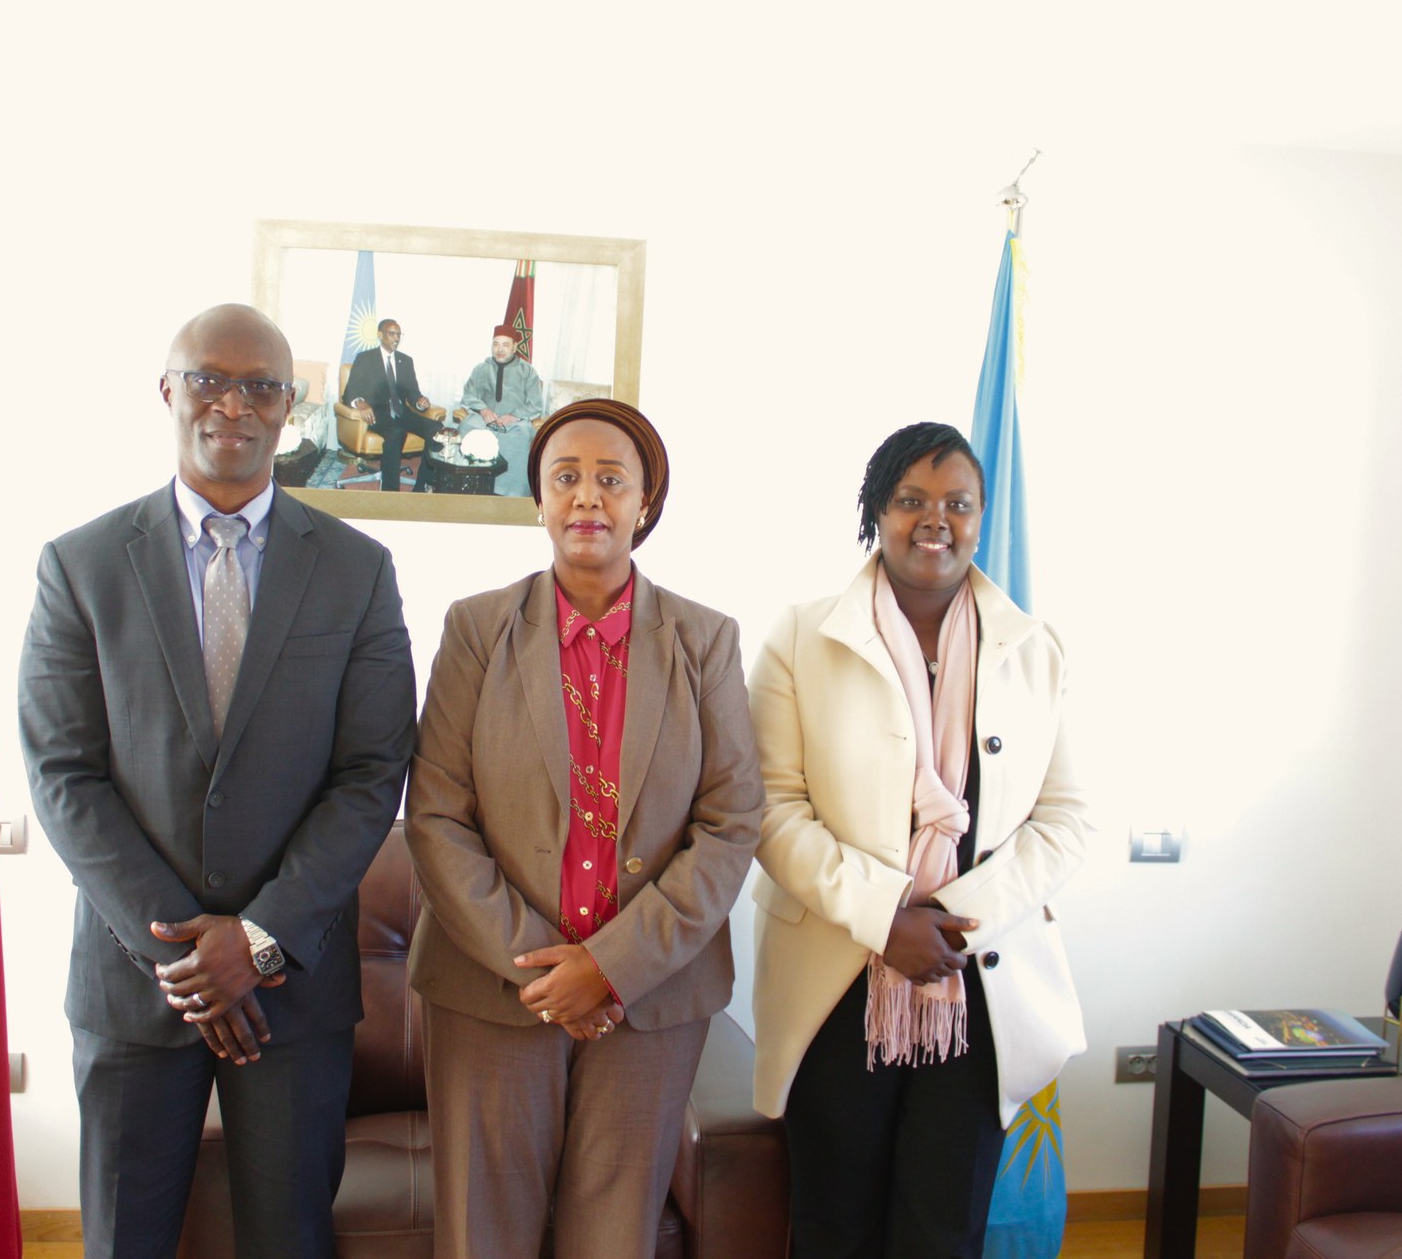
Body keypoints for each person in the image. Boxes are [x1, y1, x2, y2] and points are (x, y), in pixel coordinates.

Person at [20, 304, 416, 1259]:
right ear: (168, 390)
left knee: (290, 1239)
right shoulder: (80, 565)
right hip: (135, 987)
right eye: (209, 380)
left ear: (290, 407)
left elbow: (371, 773)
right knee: (126, 1242)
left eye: (260, 387)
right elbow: (63, 771)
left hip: (294, 997)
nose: (232, 404)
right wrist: (191, 953)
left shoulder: (358, 571)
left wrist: (259, 939)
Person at [404, 398, 765, 1258]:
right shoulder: (476, 629)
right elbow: (437, 812)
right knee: (483, 1234)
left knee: (614, 1236)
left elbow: (731, 821)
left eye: (611, 479)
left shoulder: (705, 640)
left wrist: (609, 966)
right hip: (492, 992)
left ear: (646, 501)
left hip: (651, 998)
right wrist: (545, 970)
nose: (587, 497)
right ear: (538, 499)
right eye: (565, 477)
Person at [748, 422, 1089, 1259]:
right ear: (877, 511)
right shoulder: (800, 637)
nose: (936, 519)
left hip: (975, 982)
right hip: (836, 981)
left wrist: (956, 919)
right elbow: (769, 808)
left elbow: (1065, 818)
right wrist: (885, 917)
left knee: (943, 1231)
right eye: (911, 499)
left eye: (957, 503)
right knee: (834, 1227)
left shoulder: (1035, 649)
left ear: (980, 518)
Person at [344, 318, 443, 491]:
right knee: (396, 432)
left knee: (436, 429)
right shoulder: (365, 358)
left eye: (399, 334)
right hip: (377, 413)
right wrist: (360, 403)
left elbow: (413, 392)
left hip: (402, 412)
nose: (396, 338)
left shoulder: (406, 361)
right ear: (380, 334)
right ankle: (390, 493)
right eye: (392, 334)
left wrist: (420, 402)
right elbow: (350, 391)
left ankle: (422, 486)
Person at [454, 324, 548, 496]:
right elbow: (468, 395)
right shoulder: (481, 369)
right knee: (467, 427)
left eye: (505, 345)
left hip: (514, 422)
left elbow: (535, 405)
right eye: (496, 344)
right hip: (484, 419)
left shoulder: (528, 371)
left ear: (515, 347)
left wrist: (514, 416)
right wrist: (483, 410)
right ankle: (469, 484)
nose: (500, 349)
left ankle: (510, 494)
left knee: (522, 436)